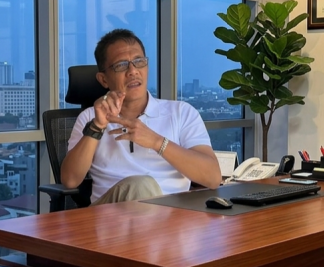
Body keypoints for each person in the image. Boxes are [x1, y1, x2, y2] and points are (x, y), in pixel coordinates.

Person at [61, 28, 222, 204]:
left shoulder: (181, 112)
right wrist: (97, 127)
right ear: (103, 79)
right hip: (109, 216)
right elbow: (70, 180)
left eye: (139, 61)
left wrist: (157, 142)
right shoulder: (90, 117)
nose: (133, 71)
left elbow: (213, 178)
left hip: (173, 216)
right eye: (121, 65)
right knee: (140, 186)